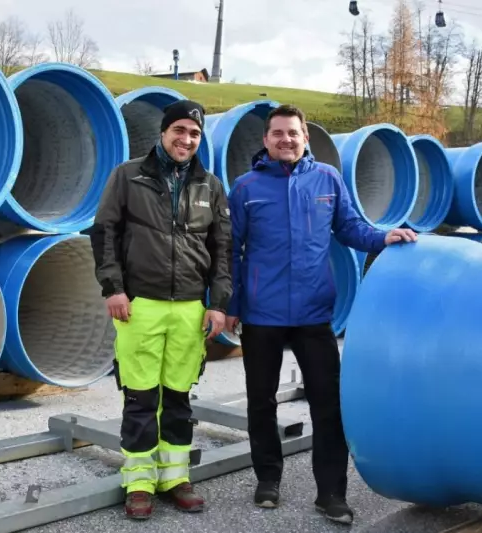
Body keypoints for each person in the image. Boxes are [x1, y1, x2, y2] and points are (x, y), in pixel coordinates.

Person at [225, 104, 417, 525]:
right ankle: (268, 480)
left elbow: (350, 228)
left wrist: (384, 237)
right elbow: (230, 251)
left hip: (314, 314)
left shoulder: (327, 179)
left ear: (305, 137)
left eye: (293, 133)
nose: (285, 140)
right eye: (277, 133)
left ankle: (330, 492)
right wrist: (233, 305)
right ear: (266, 140)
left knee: (328, 406)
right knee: (261, 402)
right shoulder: (245, 187)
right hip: (262, 315)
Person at [89, 99, 233, 520]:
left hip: (190, 308)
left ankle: (175, 477)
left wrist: (218, 303)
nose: (186, 139)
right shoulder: (128, 175)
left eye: (194, 133)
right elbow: (104, 233)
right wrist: (113, 289)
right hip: (140, 306)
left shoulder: (211, 186)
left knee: (178, 397)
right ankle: (138, 482)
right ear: (164, 132)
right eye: (180, 131)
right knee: (139, 396)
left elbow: (222, 250)